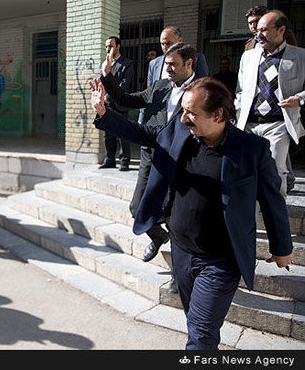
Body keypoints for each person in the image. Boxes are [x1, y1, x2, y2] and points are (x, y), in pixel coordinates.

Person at [91, 76, 294, 350]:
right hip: (182, 253)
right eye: (183, 110)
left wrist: (281, 246)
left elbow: (272, 200)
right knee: (197, 325)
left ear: (218, 114)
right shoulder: (180, 130)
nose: (184, 118)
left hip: (221, 260)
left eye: (191, 112)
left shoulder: (251, 149)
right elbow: (145, 135)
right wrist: (105, 113)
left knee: (200, 336)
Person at [100, 43, 201, 292]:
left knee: (177, 219)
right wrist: (107, 76)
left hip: (183, 163)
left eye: (172, 64)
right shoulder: (160, 86)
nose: (167, 68)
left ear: (189, 64)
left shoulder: (203, 91)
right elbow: (126, 99)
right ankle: (157, 235)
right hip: (152, 156)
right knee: (137, 206)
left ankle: (179, 278)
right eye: (165, 63)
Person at [235, 10, 305, 198]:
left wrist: (299, 99)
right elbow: (240, 91)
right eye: (257, 30)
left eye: (264, 30)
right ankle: (248, 218)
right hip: (249, 125)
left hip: (278, 124)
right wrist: (237, 114)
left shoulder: (299, 56)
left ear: (281, 29)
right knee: (247, 173)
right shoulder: (248, 57)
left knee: (274, 173)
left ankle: (276, 220)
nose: (258, 35)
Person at [99, 36, 134, 171]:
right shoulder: (104, 64)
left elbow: (124, 84)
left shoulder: (127, 63)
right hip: (107, 106)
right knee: (107, 134)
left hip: (120, 104)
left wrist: (109, 96)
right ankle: (110, 160)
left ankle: (124, 162)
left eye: (111, 46)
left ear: (118, 47)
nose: (108, 49)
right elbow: (101, 82)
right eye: (106, 46)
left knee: (122, 134)